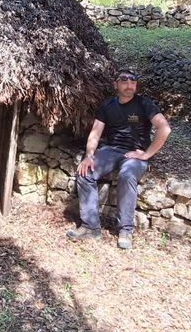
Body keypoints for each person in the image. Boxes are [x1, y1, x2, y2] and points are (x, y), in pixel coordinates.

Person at [66, 69, 172, 249]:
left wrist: (146, 154)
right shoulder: (108, 105)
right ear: (116, 84)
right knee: (85, 173)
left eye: (133, 81)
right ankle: (90, 227)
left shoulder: (144, 104)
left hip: (135, 154)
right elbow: (96, 132)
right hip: (111, 150)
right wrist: (89, 156)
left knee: (127, 176)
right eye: (124, 81)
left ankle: (125, 230)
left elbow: (164, 128)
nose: (129, 85)